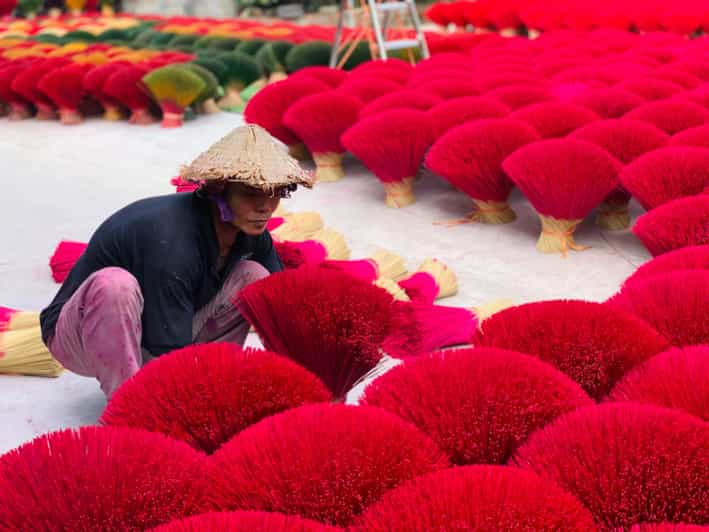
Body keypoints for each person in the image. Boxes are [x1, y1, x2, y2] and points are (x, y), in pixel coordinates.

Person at [39, 124, 314, 398]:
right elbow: (169, 353)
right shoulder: (173, 239)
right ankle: (128, 407)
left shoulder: (250, 231)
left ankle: (216, 380)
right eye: (252, 193)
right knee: (115, 285)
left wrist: (305, 378)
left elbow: (281, 303)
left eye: (275, 192)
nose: (265, 207)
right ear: (219, 187)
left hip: (154, 330)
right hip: (80, 335)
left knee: (254, 276)